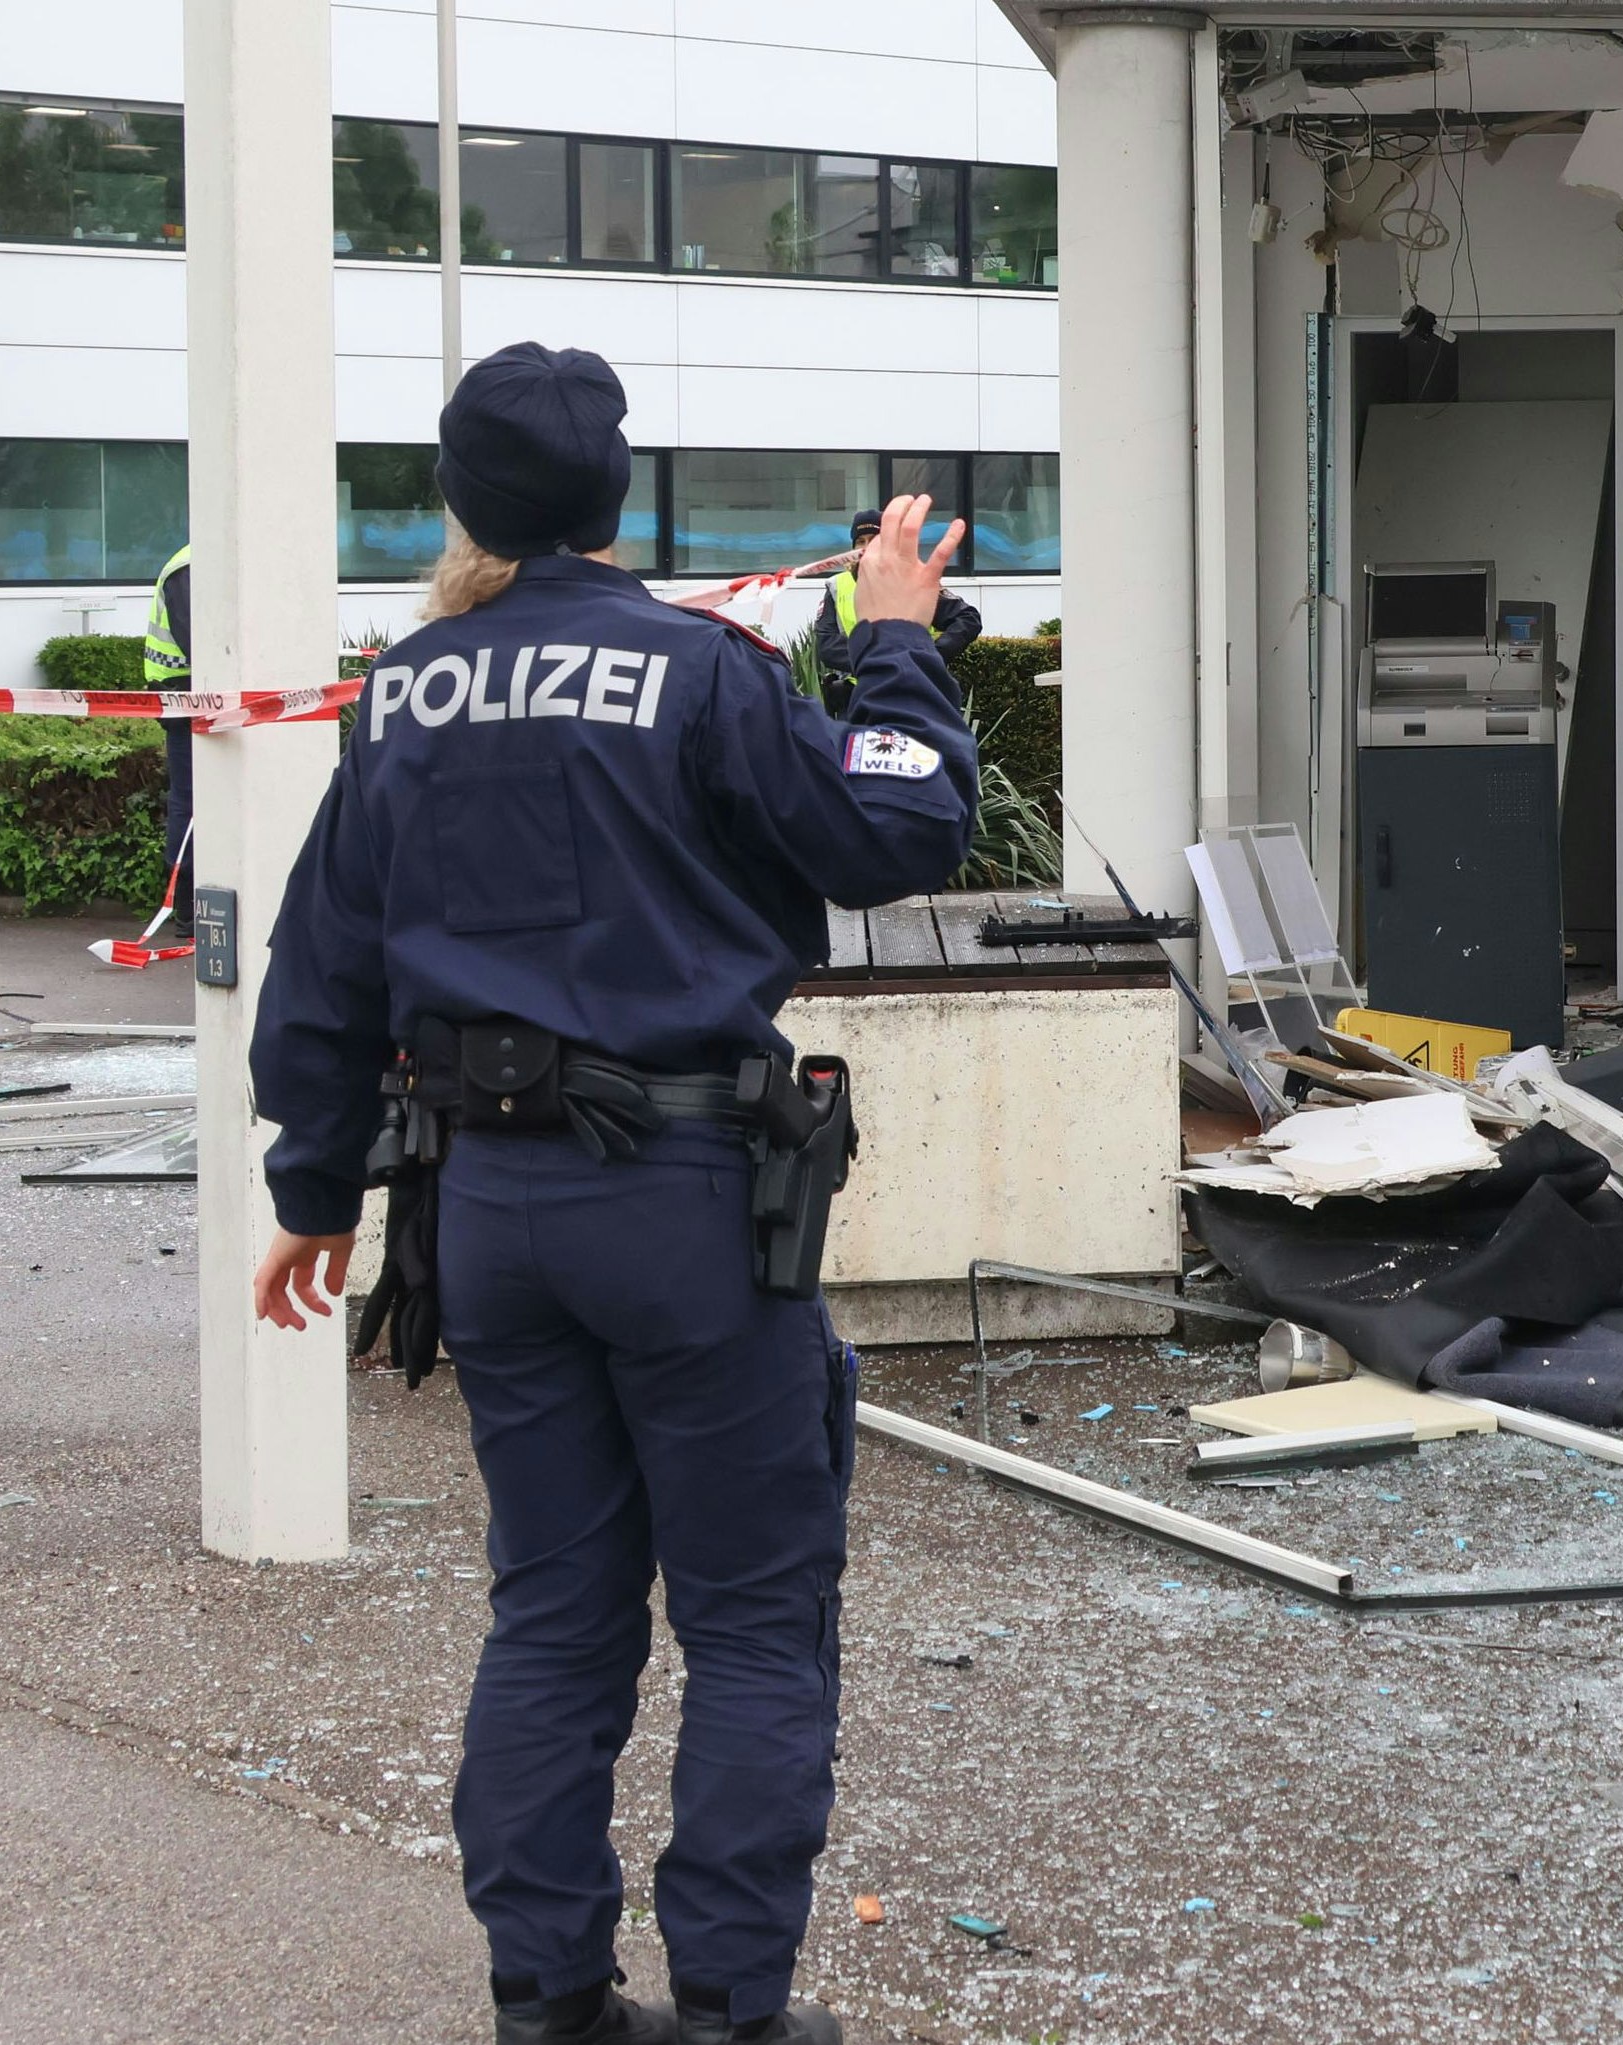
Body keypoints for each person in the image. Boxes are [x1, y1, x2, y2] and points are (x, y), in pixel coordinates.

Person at [246, 341, 975, 2045]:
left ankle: (550, 2001)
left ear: (459, 503)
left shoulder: (401, 696)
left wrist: (314, 1185)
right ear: (614, 496)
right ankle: (731, 2010)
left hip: (483, 1219)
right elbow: (899, 829)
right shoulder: (698, 672)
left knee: (557, 1615)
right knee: (749, 1622)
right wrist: (893, 643)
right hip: (684, 1206)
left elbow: (320, 972)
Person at [803, 510, 979, 715]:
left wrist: (929, 655)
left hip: (914, 695)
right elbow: (827, 646)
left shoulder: (913, 580)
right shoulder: (836, 586)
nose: (866, 547)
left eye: (874, 539)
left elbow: (968, 620)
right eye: (860, 541)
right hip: (859, 701)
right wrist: (882, 661)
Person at [141, 544, 197, 928]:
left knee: (193, 799)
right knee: (191, 800)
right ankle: (187, 904)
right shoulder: (190, 566)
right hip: (187, 694)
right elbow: (200, 640)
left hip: (200, 694)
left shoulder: (200, 562)